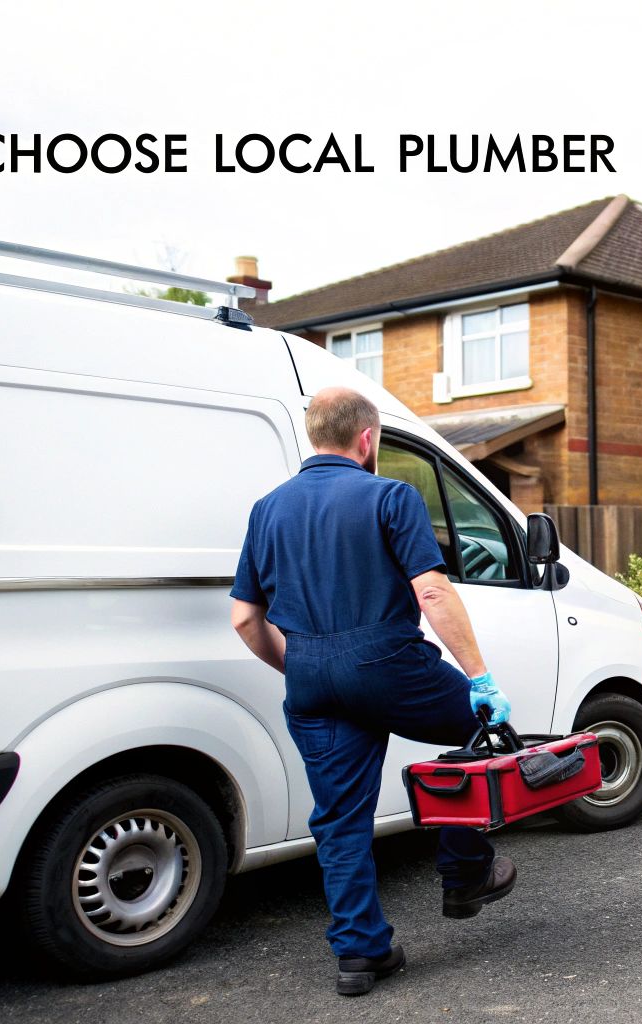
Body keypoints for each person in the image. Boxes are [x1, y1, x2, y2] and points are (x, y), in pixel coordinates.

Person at [229, 386, 518, 996]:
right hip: (390, 665)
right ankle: (465, 873)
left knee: (338, 819)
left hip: (309, 673)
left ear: (314, 436)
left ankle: (362, 956)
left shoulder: (267, 509)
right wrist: (479, 679)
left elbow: (245, 620)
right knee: (482, 735)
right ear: (368, 439)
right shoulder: (390, 494)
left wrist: (302, 668)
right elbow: (432, 592)